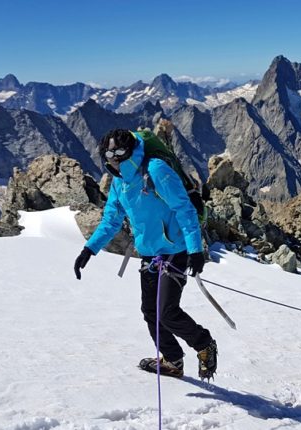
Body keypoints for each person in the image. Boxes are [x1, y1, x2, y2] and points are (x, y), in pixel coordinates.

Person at [73, 128, 217, 380]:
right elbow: (111, 219)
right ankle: (172, 360)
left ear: (131, 150)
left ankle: (204, 344)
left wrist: (195, 249)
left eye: (119, 152)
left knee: (167, 312)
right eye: (109, 153)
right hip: (150, 255)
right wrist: (89, 249)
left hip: (176, 250)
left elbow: (184, 209)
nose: (114, 158)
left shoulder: (156, 170)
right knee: (150, 312)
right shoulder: (119, 181)